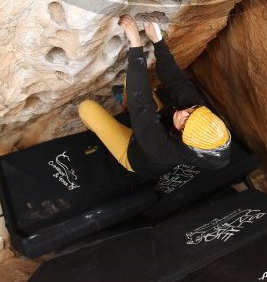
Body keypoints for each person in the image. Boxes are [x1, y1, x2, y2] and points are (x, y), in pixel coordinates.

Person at [78, 15, 231, 179]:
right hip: (158, 121)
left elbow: (141, 106)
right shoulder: (199, 115)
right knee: (129, 82)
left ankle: (97, 129)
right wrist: (158, 41)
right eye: (192, 112)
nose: (184, 113)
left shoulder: (162, 152)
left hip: (134, 152)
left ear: (184, 140)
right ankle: (125, 103)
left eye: (185, 123)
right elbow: (177, 80)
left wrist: (136, 44)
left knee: (86, 108)